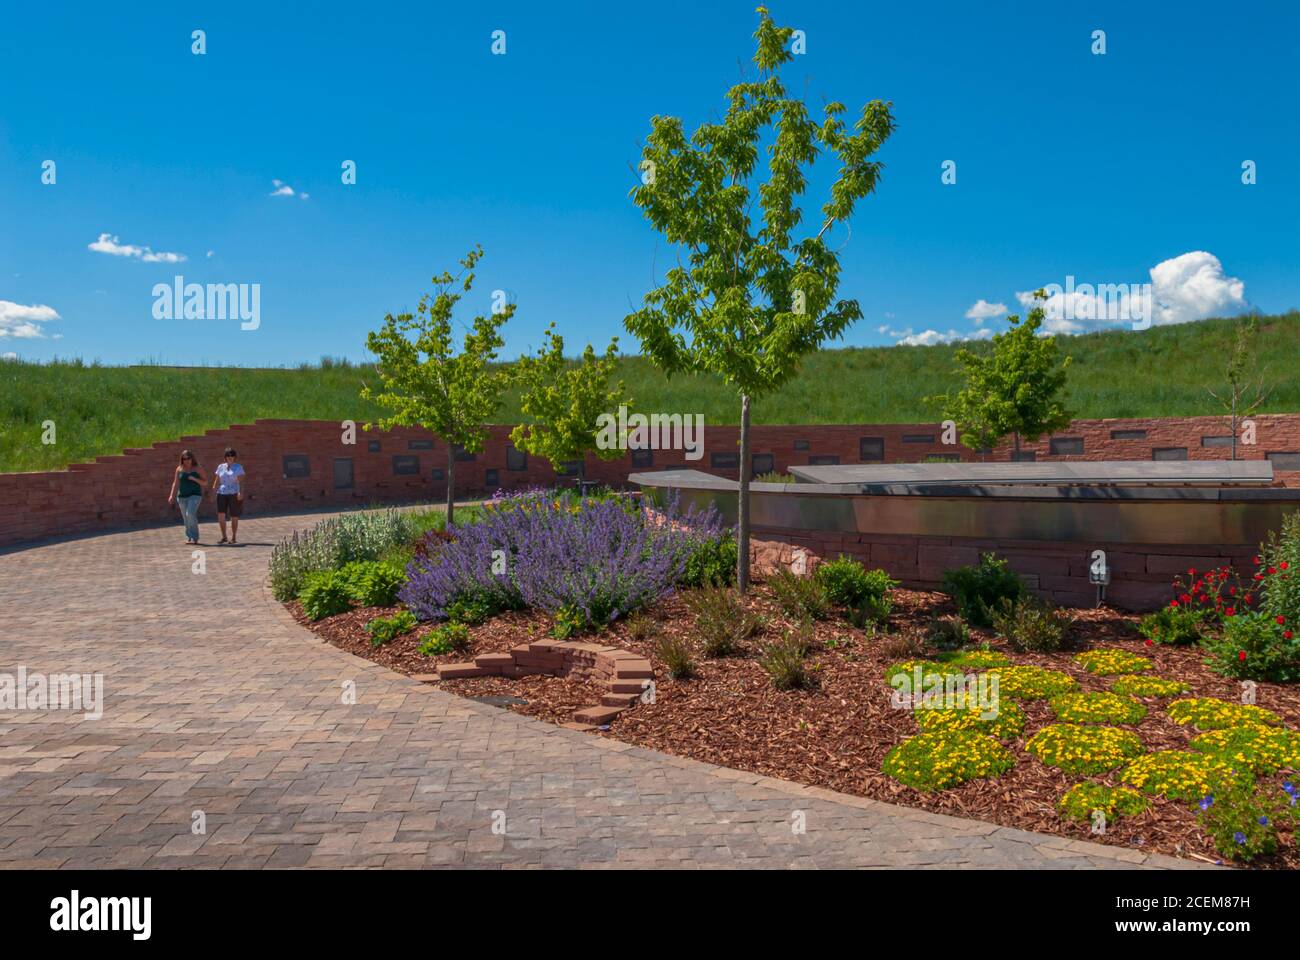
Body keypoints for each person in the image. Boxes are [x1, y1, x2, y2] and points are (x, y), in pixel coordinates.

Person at [167, 450, 207, 545]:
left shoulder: (198, 468)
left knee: (190, 514)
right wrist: (172, 495)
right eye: (184, 459)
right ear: (182, 460)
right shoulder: (179, 469)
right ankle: (189, 537)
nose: (187, 460)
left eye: (188, 458)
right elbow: (175, 483)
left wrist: (194, 479)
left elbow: (205, 482)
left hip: (195, 495)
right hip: (182, 497)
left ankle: (195, 537)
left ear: (192, 458)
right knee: (185, 517)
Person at [210, 447, 247, 545]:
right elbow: (217, 480)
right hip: (221, 493)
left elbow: (241, 482)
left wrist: (241, 492)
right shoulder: (221, 467)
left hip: (234, 493)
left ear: (235, 457)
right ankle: (224, 536)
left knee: (234, 516)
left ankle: (234, 537)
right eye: (228, 455)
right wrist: (213, 492)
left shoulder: (238, 467)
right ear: (225, 457)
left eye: (232, 455)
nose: (230, 457)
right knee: (221, 516)